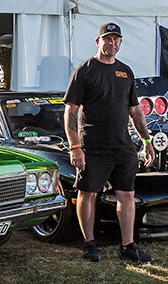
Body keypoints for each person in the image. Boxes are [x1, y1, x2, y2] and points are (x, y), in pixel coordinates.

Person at [63, 22, 155, 264]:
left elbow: (134, 111)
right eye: (107, 39)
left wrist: (146, 140)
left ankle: (128, 246)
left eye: (116, 39)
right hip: (93, 145)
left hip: (123, 146)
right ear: (98, 42)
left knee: (126, 194)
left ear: (120, 43)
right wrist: (75, 146)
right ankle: (90, 244)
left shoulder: (126, 72)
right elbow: (70, 111)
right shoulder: (85, 70)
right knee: (88, 193)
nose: (112, 43)